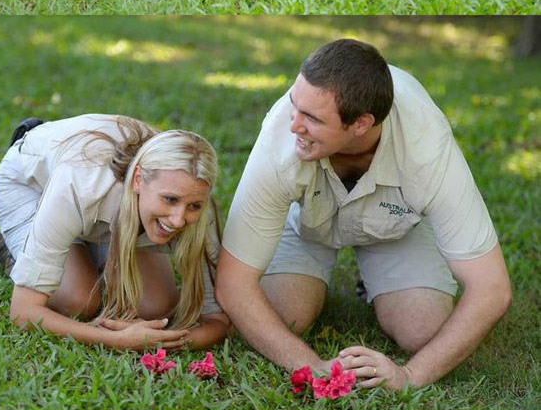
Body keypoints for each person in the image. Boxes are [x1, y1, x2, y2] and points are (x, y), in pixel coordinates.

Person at [215, 40, 512, 389]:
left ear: (360, 124)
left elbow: (492, 289)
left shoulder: (427, 147)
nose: (294, 124)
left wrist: (409, 376)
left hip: (395, 226)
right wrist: (312, 367)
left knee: (423, 330)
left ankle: (380, 281)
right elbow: (234, 285)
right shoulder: (282, 136)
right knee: (281, 317)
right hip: (311, 220)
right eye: (295, 104)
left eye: (311, 118)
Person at [0, 114, 230, 352]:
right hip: (31, 186)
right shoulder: (80, 183)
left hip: (109, 212)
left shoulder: (196, 207)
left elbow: (218, 320)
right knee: (80, 300)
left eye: (194, 206)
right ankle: (21, 251)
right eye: (169, 199)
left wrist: (164, 342)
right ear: (138, 180)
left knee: (157, 306)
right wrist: (118, 341)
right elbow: (23, 312)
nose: (178, 220)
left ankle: (83, 246)